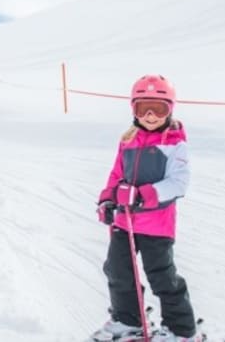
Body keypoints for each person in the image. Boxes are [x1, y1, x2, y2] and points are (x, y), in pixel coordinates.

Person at [90, 75, 200, 342]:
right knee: (117, 271)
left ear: (170, 109)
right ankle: (129, 320)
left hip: (156, 224)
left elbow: (178, 183)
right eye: (143, 108)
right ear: (134, 110)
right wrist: (107, 199)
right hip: (124, 222)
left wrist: (142, 195)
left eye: (158, 109)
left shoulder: (175, 143)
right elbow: (117, 173)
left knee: (162, 277)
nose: (150, 115)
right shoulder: (128, 139)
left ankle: (181, 330)